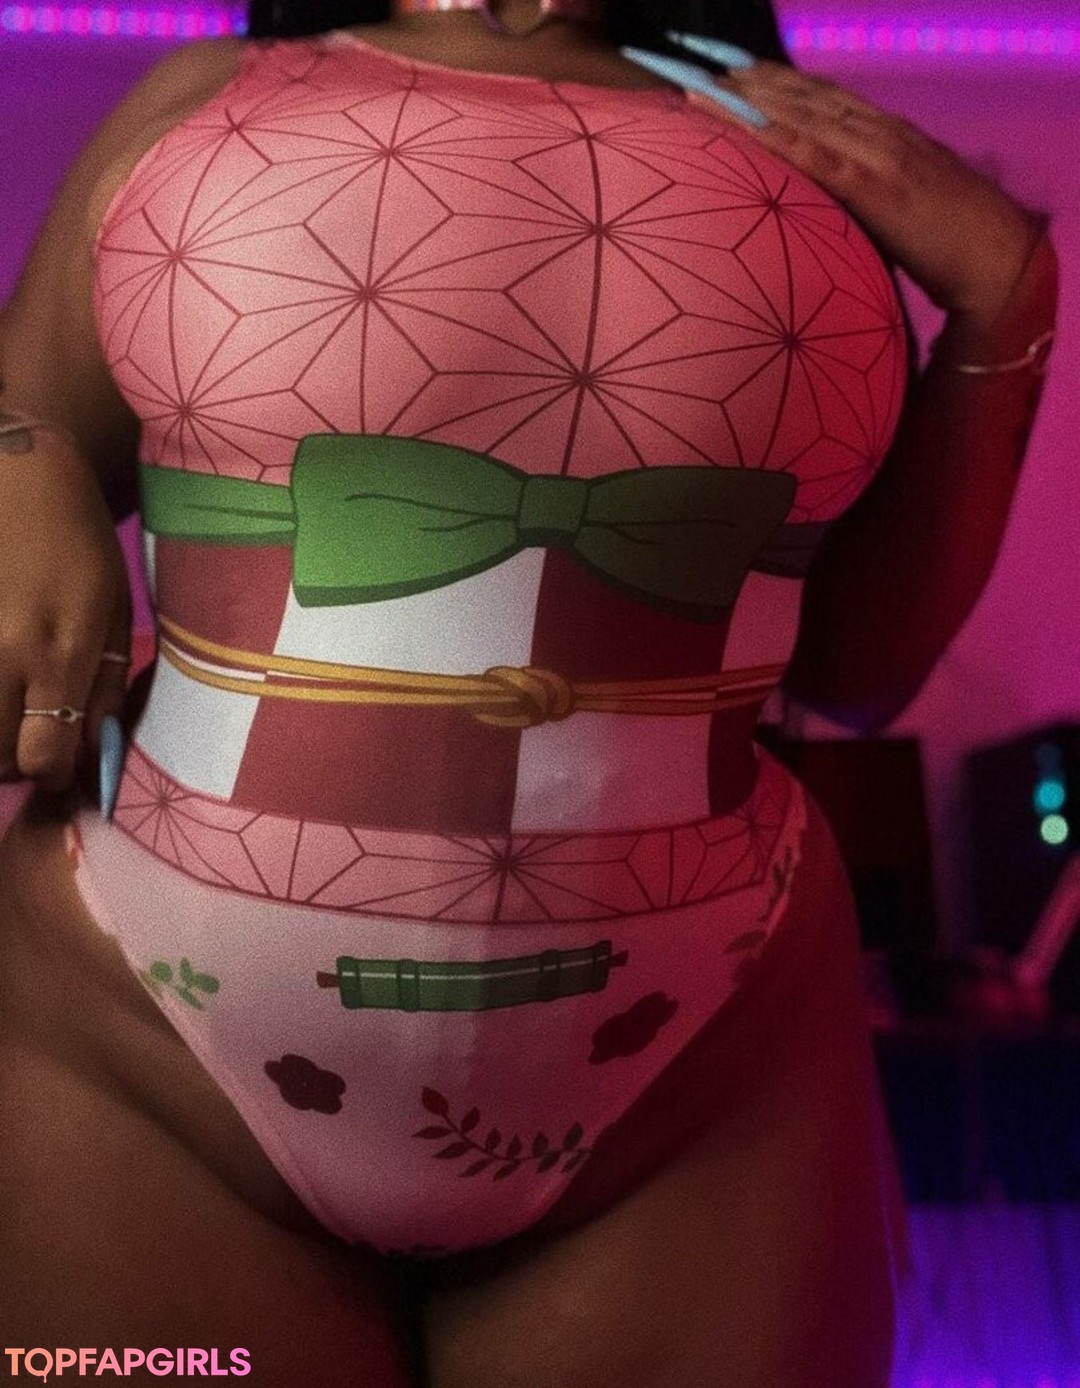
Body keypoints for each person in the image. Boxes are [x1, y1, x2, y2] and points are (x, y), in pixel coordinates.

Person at [0, 0, 1058, 1383]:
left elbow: (862, 669)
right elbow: (22, 409)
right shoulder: (203, 94)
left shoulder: (806, 144)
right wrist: (22, 464)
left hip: (700, 1072)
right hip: (139, 1041)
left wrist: (1008, 307)